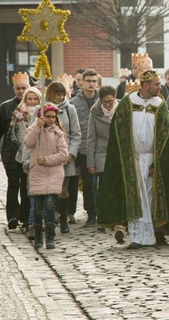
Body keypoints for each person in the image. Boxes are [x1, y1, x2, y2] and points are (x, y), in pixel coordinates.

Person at [98, 70, 169, 249]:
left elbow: (164, 134)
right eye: (156, 84)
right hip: (131, 158)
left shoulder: (160, 104)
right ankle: (137, 236)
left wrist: (157, 161)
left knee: (149, 195)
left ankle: (152, 234)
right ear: (145, 85)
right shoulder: (128, 102)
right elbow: (119, 129)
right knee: (136, 197)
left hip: (150, 158)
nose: (160, 87)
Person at [23, 103, 70, 249]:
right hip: (38, 173)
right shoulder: (34, 130)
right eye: (48, 117)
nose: (51, 120)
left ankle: (50, 237)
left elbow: (63, 154)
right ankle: (38, 236)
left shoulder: (58, 134)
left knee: (50, 205)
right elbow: (28, 143)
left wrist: (47, 160)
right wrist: (37, 126)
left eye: (53, 117)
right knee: (37, 208)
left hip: (53, 173)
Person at [0, 71, 30, 230]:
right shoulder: (5, 107)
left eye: (24, 88)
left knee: (26, 185)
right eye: (18, 88)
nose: (21, 91)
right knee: (13, 184)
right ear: (14, 89)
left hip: (27, 153)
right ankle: (13, 215)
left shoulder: (33, 103)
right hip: (10, 153)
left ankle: (26, 217)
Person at [42, 80, 81, 235]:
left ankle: (63, 218)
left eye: (62, 94)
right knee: (48, 188)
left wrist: (71, 154)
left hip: (65, 154)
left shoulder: (70, 109)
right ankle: (51, 218)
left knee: (63, 189)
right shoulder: (42, 108)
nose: (60, 97)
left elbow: (76, 134)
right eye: (57, 94)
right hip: (47, 154)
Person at [84, 85, 118, 231]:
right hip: (102, 154)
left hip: (118, 153)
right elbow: (91, 138)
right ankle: (102, 218)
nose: (108, 105)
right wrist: (90, 162)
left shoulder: (122, 109)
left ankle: (117, 217)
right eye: (105, 102)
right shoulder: (95, 112)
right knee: (103, 188)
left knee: (117, 187)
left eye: (110, 101)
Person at [71, 69, 100, 225]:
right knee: (88, 183)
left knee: (100, 183)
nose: (91, 84)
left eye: (94, 81)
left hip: (99, 148)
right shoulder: (74, 103)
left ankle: (102, 211)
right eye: (88, 81)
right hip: (82, 149)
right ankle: (91, 213)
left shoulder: (102, 100)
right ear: (82, 82)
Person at [13, 87, 42, 237]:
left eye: (35, 99)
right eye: (29, 98)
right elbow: (16, 134)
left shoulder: (42, 114)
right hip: (23, 154)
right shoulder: (19, 113)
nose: (32, 102)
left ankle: (36, 219)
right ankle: (26, 218)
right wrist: (22, 150)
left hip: (38, 155)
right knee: (25, 188)